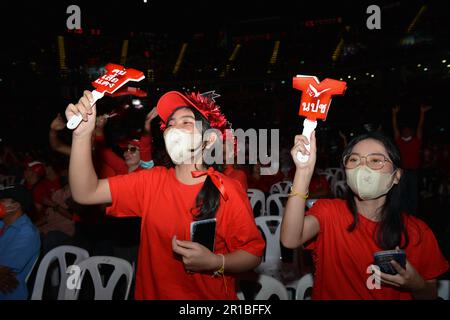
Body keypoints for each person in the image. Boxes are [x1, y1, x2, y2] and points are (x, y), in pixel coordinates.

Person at [64, 90, 265, 299]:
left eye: (186, 122)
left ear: (209, 139)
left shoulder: (227, 190)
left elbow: (252, 255)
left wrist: (216, 262)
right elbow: (85, 193)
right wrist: (81, 135)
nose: (174, 128)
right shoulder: (151, 181)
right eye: (170, 123)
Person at [281, 130, 448, 300]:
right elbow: (290, 239)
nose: (363, 167)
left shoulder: (418, 232)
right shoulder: (329, 213)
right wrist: (303, 172)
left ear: (396, 176)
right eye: (354, 160)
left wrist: (416, 284)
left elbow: (430, 294)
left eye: (375, 160)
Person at [0, 185, 41, 300]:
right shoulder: (2, 224)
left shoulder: (27, 233)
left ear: (16, 206)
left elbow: (2, 271)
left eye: (1, 201)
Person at [392, 104, 432, 215]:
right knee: (402, 194)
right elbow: (395, 129)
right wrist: (394, 115)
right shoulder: (399, 142)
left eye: (408, 130)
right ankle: (404, 214)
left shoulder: (416, 142)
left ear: (411, 132)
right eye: (404, 130)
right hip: (403, 172)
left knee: (413, 195)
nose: (405, 131)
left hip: (413, 171)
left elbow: (420, 126)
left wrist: (422, 113)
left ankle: (413, 215)